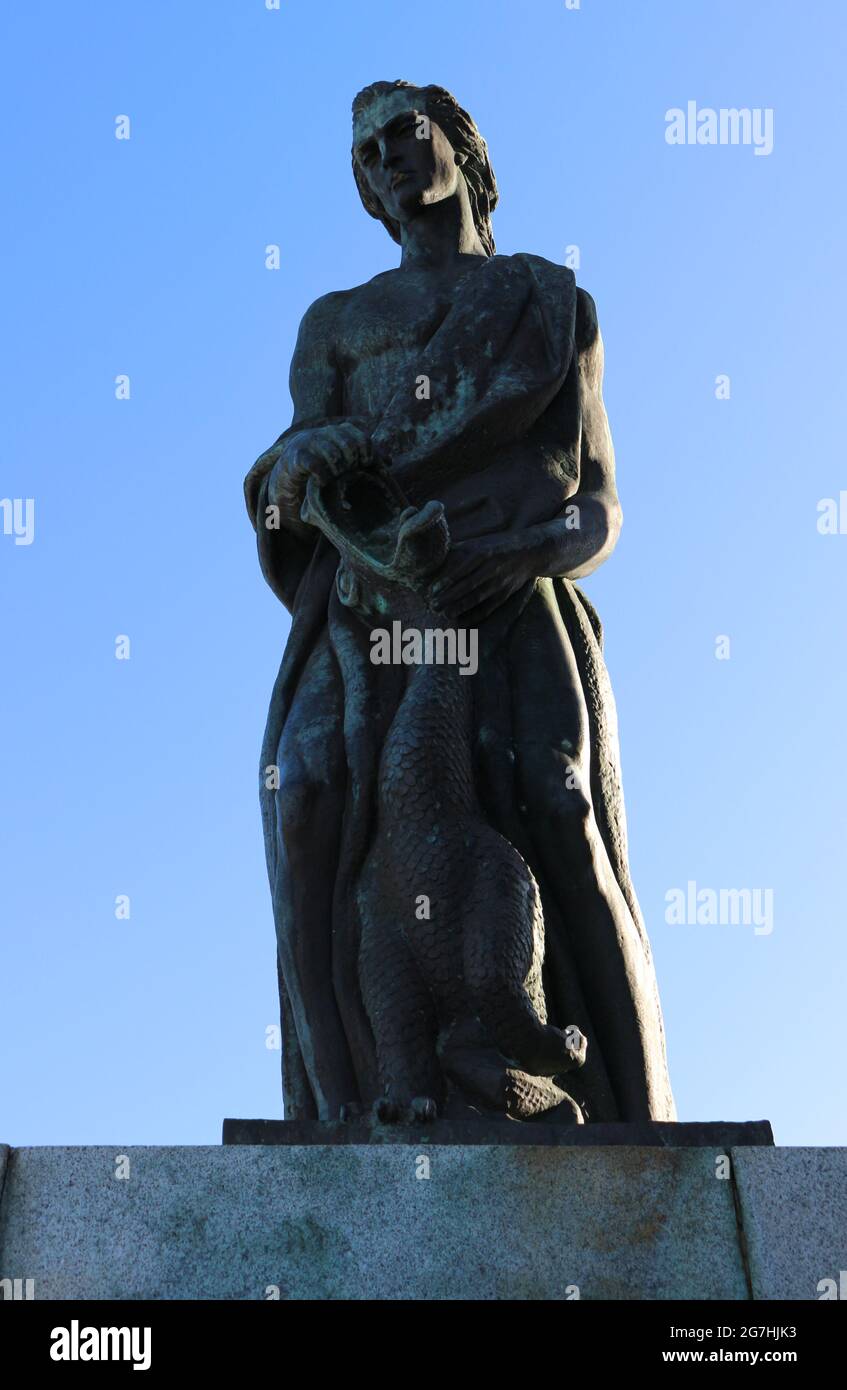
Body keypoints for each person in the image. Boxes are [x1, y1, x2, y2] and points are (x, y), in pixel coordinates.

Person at [244, 80, 675, 1124]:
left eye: (404, 133)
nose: (385, 159)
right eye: (364, 154)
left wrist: (527, 553)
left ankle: (645, 1115)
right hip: (368, 600)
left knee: (560, 800)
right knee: (304, 790)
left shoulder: (552, 302)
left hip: (511, 586)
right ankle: (343, 1110)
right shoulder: (337, 321)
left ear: (462, 150)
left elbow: (601, 508)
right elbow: (291, 476)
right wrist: (300, 460)